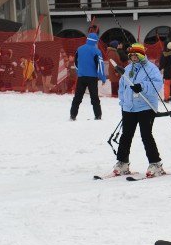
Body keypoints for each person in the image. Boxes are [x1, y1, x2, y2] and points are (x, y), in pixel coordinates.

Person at [113, 43, 165, 178]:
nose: (133, 57)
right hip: (129, 108)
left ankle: (155, 163)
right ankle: (122, 162)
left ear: (141, 55)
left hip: (146, 107)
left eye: (136, 55)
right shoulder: (128, 68)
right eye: (131, 55)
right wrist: (123, 103)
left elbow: (157, 84)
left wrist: (142, 86)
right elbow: (122, 87)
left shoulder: (151, 69)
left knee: (146, 135)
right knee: (126, 136)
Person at [70, 32, 107, 120]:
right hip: (92, 78)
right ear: (96, 41)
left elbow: (75, 62)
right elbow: (100, 66)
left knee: (77, 97)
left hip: (81, 77)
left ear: (87, 39)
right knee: (94, 97)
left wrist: (79, 72)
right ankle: (98, 115)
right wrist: (102, 78)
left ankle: (73, 115)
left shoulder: (79, 49)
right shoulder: (97, 51)